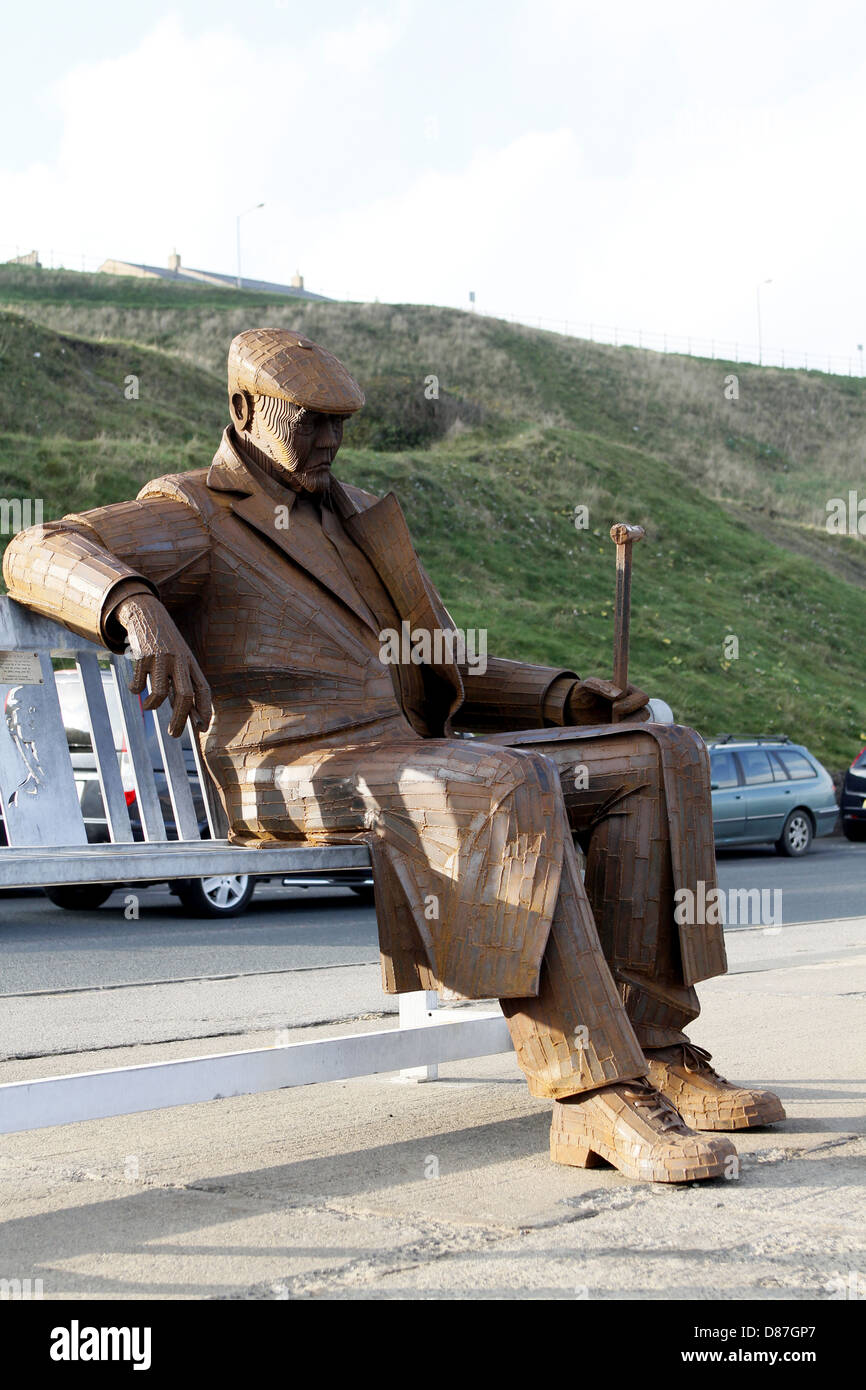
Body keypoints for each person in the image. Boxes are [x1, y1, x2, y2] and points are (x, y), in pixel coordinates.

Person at [3, 328, 784, 1182]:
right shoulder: (192, 512)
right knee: (500, 779)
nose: (332, 441)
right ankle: (592, 1092)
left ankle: (655, 1039)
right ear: (242, 410)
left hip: (404, 762)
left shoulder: (360, 522)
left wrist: (561, 697)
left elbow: (441, 662)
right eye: (310, 420)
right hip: (290, 772)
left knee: (659, 752)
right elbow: (33, 547)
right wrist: (133, 605)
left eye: (341, 421)